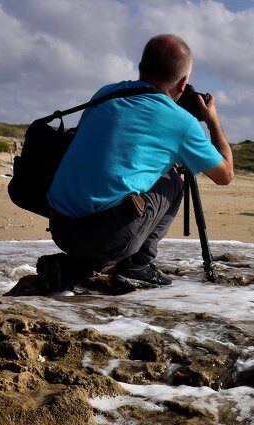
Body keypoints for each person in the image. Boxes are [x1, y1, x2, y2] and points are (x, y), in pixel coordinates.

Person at [39, 33, 233, 291]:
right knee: (173, 182)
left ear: (140, 67)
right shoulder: (181, 122)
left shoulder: (106, 94)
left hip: (60, 225)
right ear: (184, 82)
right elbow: (225, 175)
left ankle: (71, 269)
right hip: (102, 237)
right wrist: (212, 121)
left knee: (118, 199)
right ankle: (137, 263)